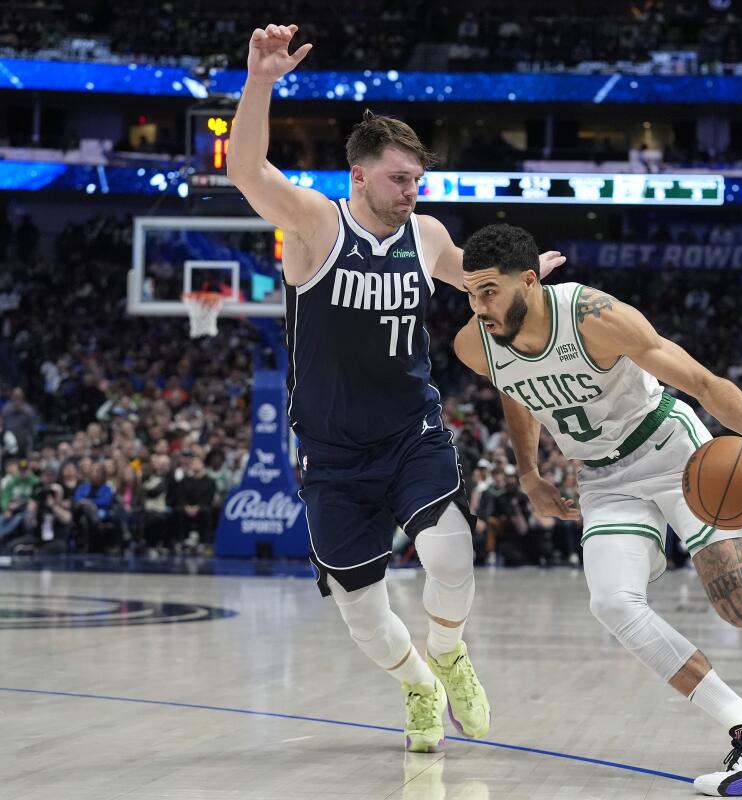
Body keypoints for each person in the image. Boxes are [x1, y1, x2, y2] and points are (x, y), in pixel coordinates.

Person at [453, 224, 742, 797]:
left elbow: (699, 380)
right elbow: (512, 387)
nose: (478, 306)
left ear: (529, 280)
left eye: (489, 292)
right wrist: (528, 472)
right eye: (470, 293)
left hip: (672, 451)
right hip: (602, 478)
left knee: (741, 606)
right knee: (611, 603)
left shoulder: (595, 317)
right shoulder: (476, 341)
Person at [226, 23, 564, 752]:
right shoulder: (316, 226)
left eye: (417, 180)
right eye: (398, 179)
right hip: (331, 447)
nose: (411, 191)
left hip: (411, 429)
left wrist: (523, 280)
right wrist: (261, 82)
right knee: (362, 612)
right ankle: (417, 683)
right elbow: (248, 172)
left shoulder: (428, 234)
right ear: (359, 176)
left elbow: (478, 284)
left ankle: (449, 654)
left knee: (451, 554)